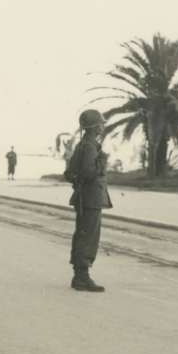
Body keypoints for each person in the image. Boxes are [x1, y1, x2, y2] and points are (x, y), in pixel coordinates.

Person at [63, 109, 113, 292]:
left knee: (83, 235)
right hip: (90, 198)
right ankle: (82, 277)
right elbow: (88, 172)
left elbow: (69, 173)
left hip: (86, 197)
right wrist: (101, 163)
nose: (103, 126)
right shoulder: (91, 146)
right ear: (94, 127)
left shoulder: (83, 145)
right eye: (101, 123)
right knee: (88, 237)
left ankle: (80, 275)